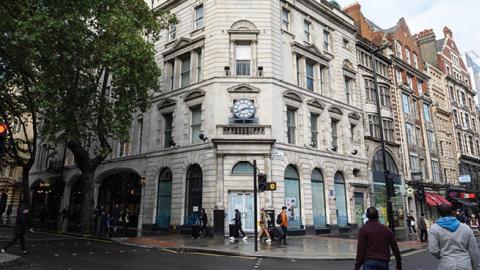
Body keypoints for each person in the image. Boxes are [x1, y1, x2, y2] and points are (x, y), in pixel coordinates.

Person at [428, 203, 480, 270]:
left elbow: (433, 249)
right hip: (464, 264)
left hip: (446, 264)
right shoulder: (466, 228)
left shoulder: (434, 228)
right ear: (453, 212)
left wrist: (443, 256)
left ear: (439, 213)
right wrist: (477, 267)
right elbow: (473, 251)